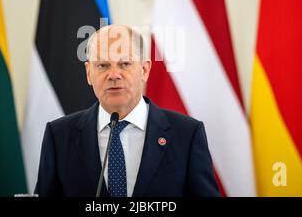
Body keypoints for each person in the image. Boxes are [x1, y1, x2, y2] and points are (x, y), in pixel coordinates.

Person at [34, 25, 219, 197]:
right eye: (103, 65)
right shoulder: (59, 135)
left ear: (144, 70)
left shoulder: (187, 134)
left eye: (124, 64)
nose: (114, 75)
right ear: (89, 73)